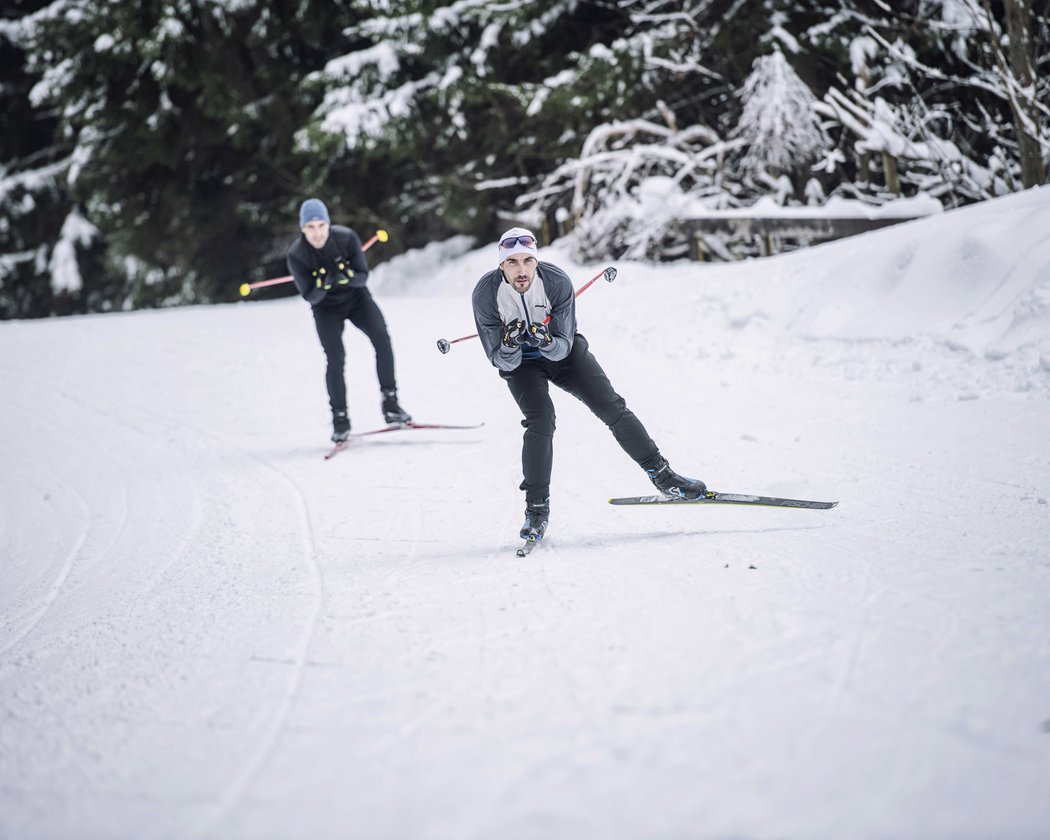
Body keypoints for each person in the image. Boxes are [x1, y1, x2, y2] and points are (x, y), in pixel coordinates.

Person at [471, 227, 706, 543]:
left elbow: (563, 348)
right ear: (501, 265)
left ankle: (664, 477)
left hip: (563, 354)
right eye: (512, 262)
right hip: (522, 366)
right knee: (541, 420)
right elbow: (501, 360)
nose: (521, 269)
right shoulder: (485, 294)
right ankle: (537, 509)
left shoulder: (556, 281)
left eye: (528, 260)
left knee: (611, 406)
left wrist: (543, 338)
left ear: (536, 261)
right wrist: (512, 343)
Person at [286, 198, 410, 441]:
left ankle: (391, 405)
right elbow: (310, 295)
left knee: (382, 339)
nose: (317, 233)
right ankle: (340, 420)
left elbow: (363, 277)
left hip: (356, 300)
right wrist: (324, 283)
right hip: (325, 308)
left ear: (328, 224)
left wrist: (345, 276)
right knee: (335, 357)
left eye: (321, 225)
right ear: (302, 229)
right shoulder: (297, 254)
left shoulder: (346, 238)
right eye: (310, 228)